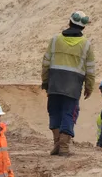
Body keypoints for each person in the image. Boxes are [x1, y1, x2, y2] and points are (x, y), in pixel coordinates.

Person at [41, 10, 97, 156]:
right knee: (68, 113)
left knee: (54, 111)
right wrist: (89, 87)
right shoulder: (86, 45)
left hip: (55, 82)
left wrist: (45, 81)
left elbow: (45, 63)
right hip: (73, 86)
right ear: (83, 27)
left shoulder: (54, 40)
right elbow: (90, 69)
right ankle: (64, 146)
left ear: (69, 22)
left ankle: (57, 142)